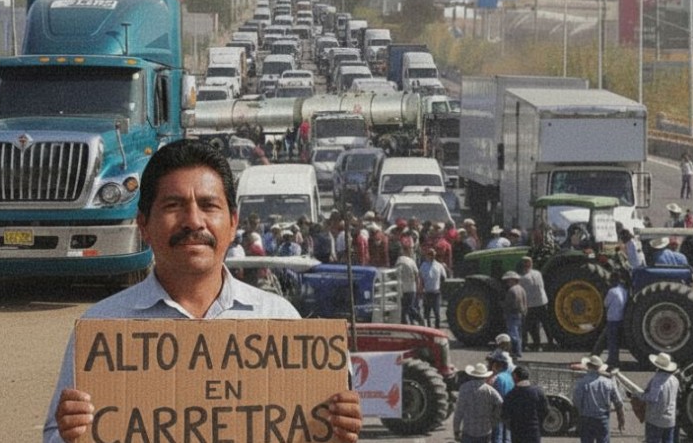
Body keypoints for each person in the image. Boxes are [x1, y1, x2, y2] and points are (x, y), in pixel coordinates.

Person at [44, 140, 361, 443]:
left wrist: (340, 429)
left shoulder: (281, 321)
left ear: (233, 222)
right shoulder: (103, 328)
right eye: (173, 205)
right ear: (143, 225)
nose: (193, 221)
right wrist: (69, 433)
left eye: (209, 205)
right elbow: (53, 436)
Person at [572, 355, 625, 443]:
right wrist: (621, 419)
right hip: (602, 418)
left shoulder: (581, 382)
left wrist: (581, 414)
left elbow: (576, 401)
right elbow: (618, 402)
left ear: (588, 366)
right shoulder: (608, 383)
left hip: (586, 418)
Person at [454, 362, 503, 443]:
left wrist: (456, 430)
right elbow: (500, 403)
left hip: (468, 430)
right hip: (485, 431)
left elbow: (459, 411)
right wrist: (494, 420)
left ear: (472, 375)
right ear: (485, 376)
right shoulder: (489, 390)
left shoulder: (464, 388)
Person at [639, 353, 680, 443]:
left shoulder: (657, 380)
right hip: (670, 419)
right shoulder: (675, 380)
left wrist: (640, 396)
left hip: (656, 419)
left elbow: (652, 397)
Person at [502, 366, 548, 443]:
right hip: (534, 431)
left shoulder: (511, 395)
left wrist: (511, 426)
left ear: (515, 377)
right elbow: (545, 410)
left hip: (517, 432)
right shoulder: (538, 392)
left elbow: (505, 414)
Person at [518, 257, 548, 352]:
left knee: (533, 325)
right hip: (535, 303)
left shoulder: (532, 275)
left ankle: (533, 344)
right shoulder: (526, 276)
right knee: (532, 326)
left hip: (536, 303)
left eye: (528, 262)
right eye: (526, 263)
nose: (527, 264)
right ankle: (530, 344)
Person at [488, 351, 515, 443]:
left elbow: (495, 398)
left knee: (497, 436)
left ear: (496, 364)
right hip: (509, 410)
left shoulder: (497, 378)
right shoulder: (509, 376)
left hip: (498, 411)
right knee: (507, 436)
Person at [395, 240, 423, 325]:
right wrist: (418, 287)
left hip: (403, 288)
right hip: (410, 288)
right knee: (408, 308)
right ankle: (417, 320)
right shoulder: (410, 261)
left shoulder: (399, 261)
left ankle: (411, 321)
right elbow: (417, 275)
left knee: (405, 308)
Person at [603, 272, 627, 369]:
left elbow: (605, 303)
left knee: (611, 341)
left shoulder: (612, 291)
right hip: (620, 318)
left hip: (612, 319)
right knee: (617, 341)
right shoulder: (624, 291)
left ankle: (612, 360)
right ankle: (616, 359)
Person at [419, 246, 445, 329]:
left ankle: (437, 328)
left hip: (436, 292)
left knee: (437, 313)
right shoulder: (423, 265)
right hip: (427, 292)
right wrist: (420, 289)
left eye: (433, 254)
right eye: (429, 254)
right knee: (427, 313)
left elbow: (443, 277)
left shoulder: (439, 265)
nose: (431, 256)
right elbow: (421, 278)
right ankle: (428, 328)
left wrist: (441, 288)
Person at [502, 271, 526, 359]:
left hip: (512, 314)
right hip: (520, 314)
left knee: (513, 334)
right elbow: (525, 302)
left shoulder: (511, 291)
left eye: (508, 281)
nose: (507, 283)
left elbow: (509, 304)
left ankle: (515, 352)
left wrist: (504, 310)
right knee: (518, 334)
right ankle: (519, 351)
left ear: (513, 280)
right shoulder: (521, 289)